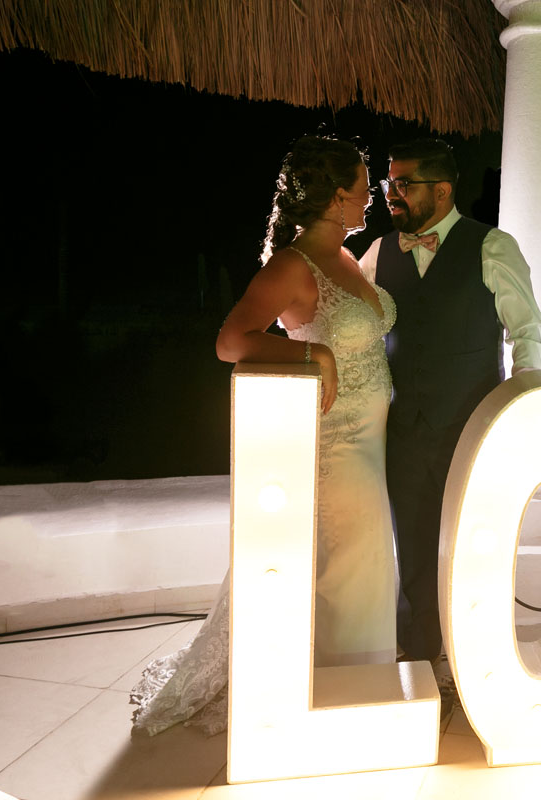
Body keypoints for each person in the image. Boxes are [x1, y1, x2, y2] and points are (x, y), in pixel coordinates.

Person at [130, 134, 397, 735]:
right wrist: (314, 355)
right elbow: (230, 341)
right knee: (350, 570)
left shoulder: (349, 258)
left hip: (372, 441)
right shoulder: (292, 265)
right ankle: (337, 694)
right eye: (362, 188)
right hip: (335, 442)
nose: (370, 199)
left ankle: (356, 686)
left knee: (366, 567)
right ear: (333, 197)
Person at [357, 139, 541, 674]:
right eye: (388, 183)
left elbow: (526, 329)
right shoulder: (378, 252)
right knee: (412, 538)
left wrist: (522, 404)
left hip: (472, 423)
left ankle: (476, 654)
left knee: (472, 540)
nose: (390, 194)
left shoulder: (492, 246)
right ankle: (420, 652)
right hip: (403, 424)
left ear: (441, 190)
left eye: (402, 184)